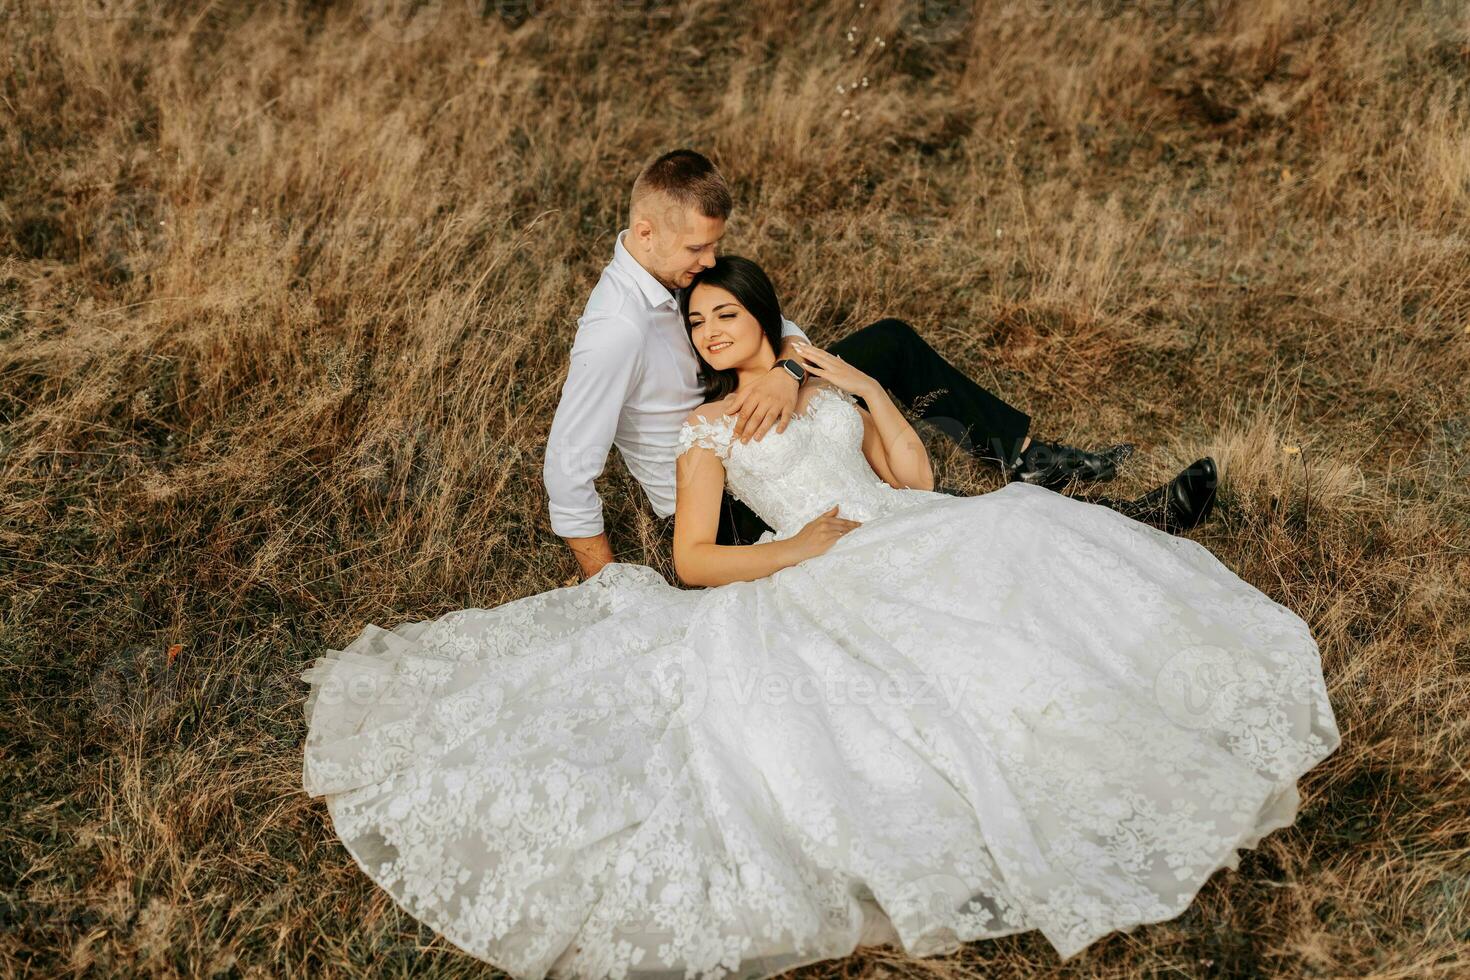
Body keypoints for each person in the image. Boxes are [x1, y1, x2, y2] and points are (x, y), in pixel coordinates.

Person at [299, 254, 1340, 980]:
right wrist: (791, 549)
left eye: (727, 312)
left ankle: (1111, 567)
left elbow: (920, 478)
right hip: (826, 556)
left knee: (1032, 569)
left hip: (911, 525)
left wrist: (859, 383)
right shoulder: (704, 425)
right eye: (699, 317)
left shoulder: (811, 374)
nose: (712, 328)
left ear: (762, 316)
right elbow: (694, 559)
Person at [542, 149, 1212, 580]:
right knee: (938, 526)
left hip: (773, 415)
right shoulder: (616, 330)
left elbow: (776, 328)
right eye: (699, 248)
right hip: (728, 495)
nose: (711, 263)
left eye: (716, 247)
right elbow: (569, 471)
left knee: (888, 346)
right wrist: (612, 594)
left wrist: (791, 371)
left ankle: (1025, 458)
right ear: (647, 232)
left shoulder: (679, 273)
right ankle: (1127, 523)